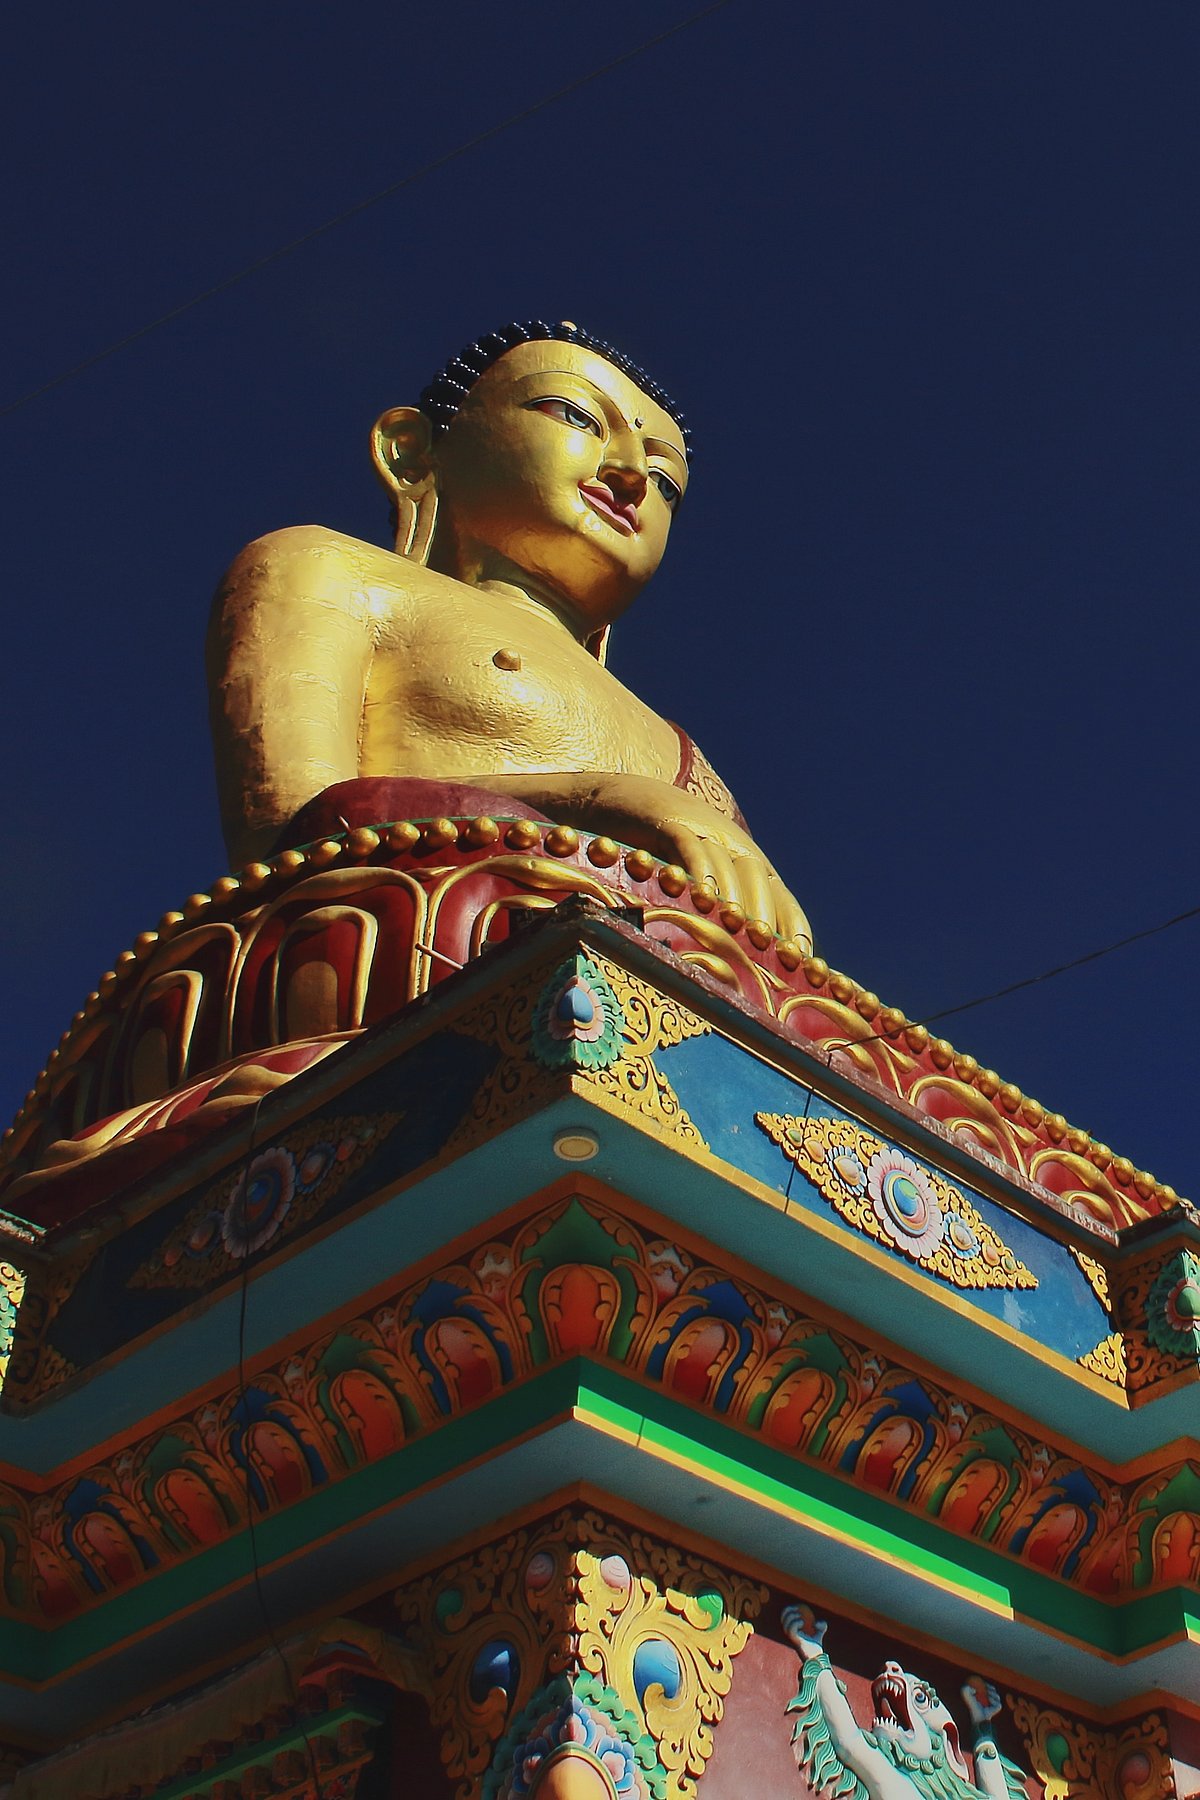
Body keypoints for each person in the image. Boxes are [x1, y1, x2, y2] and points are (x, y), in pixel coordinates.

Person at [207, 319, 810, 944]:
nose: (631, 475)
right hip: (410, 935)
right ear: (412, 449)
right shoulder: (326, 570)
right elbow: (299, 834)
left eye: (665, 483)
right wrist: (603, 801)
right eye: (575, 416)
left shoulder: (681, 755)